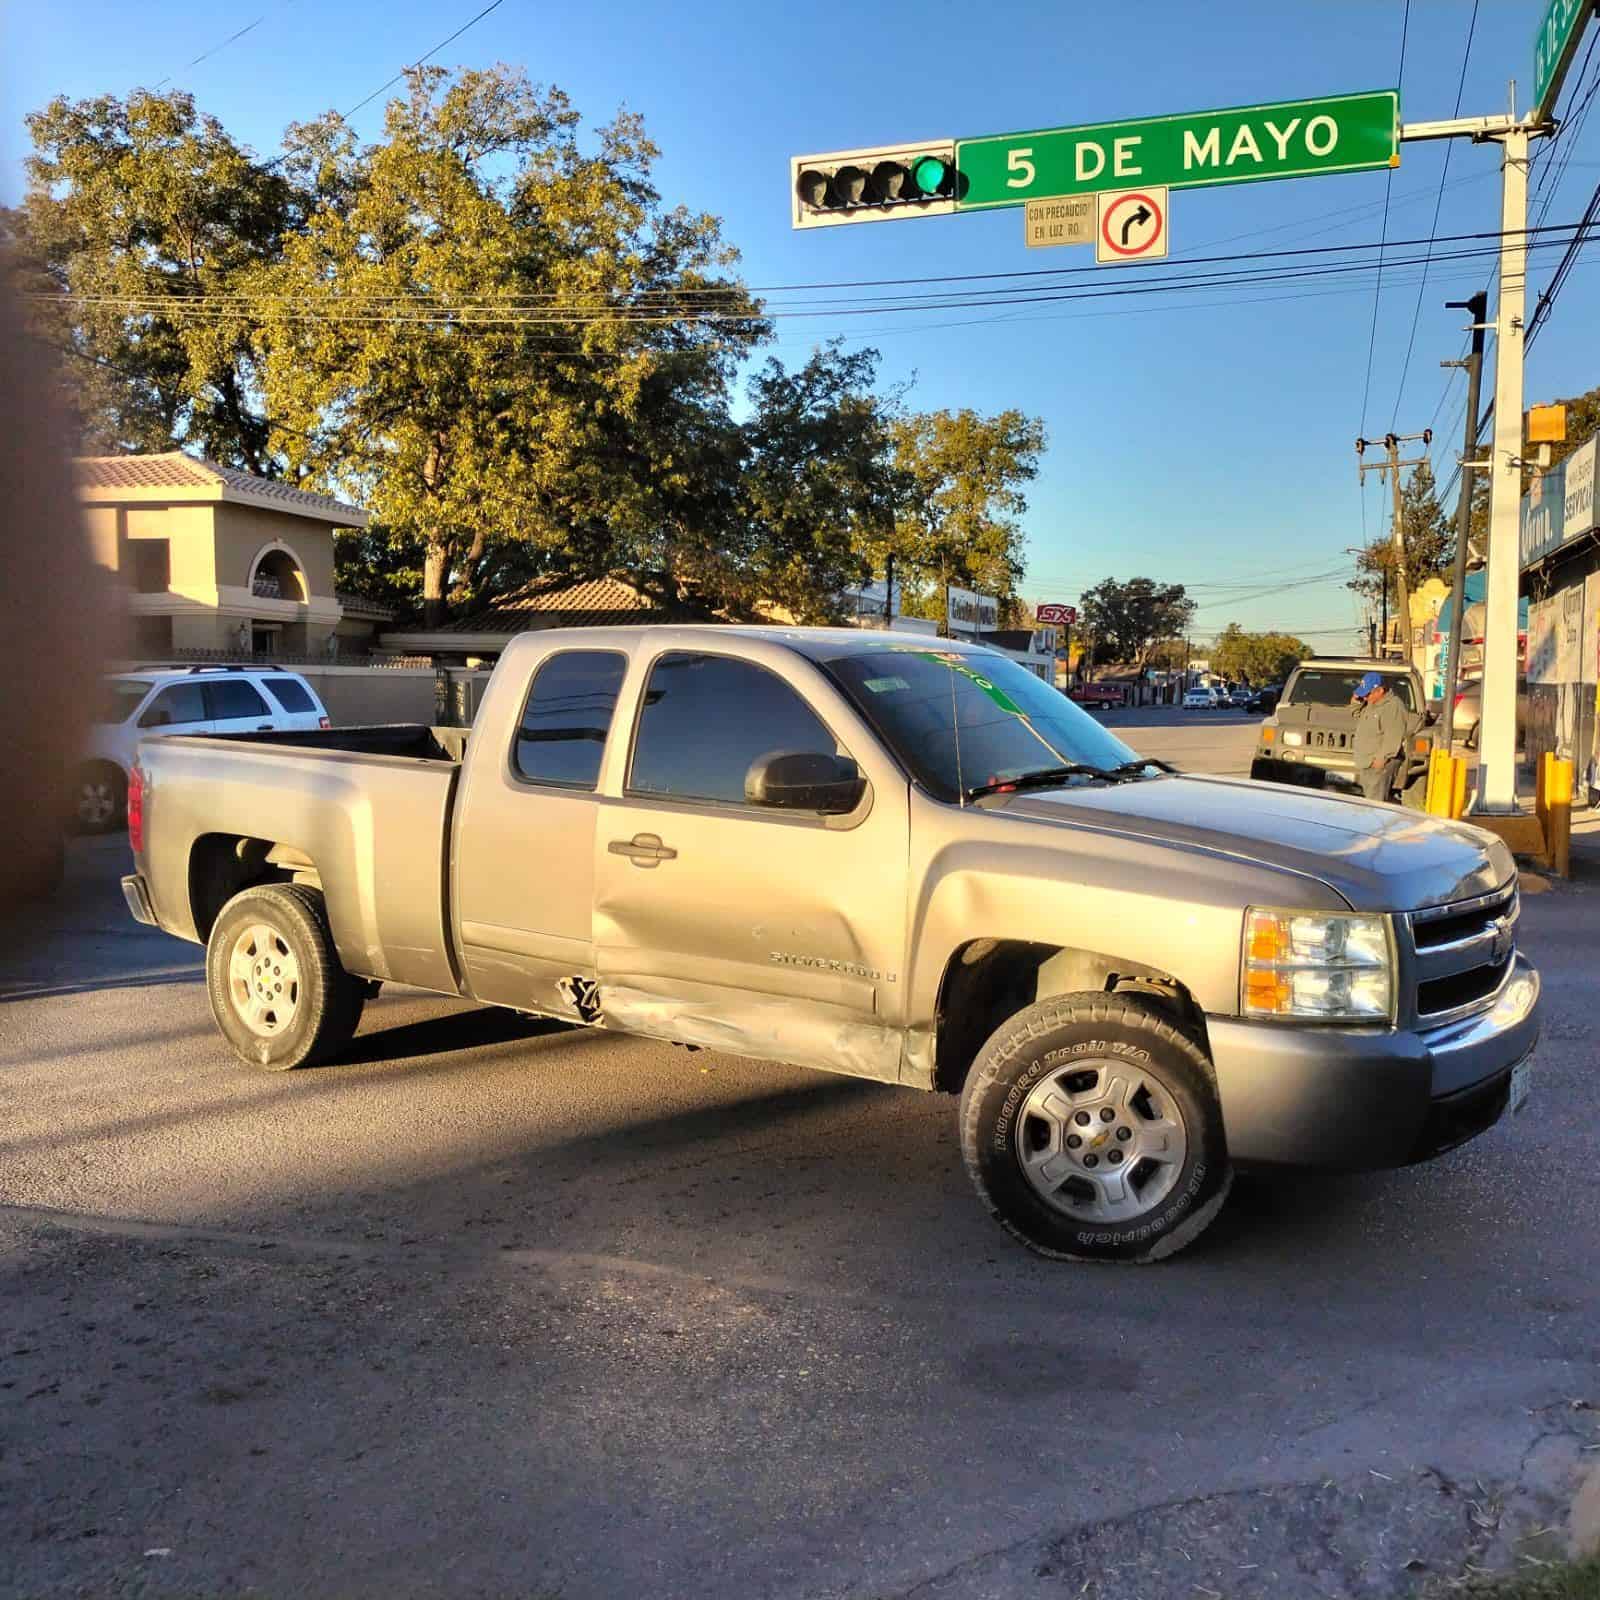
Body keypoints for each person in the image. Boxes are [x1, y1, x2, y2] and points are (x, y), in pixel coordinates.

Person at [1351, 670, 1407, 803]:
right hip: (1366, 761)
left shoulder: (1393, 706)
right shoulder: (1372, 703)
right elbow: (1356, 714)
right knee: (1369, 801)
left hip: (1379, 764)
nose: (1365, 697)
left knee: (1375, 804)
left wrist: (1382, 758)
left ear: (1380, 690)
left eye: (1367, 694)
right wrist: (1356, 701)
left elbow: (1393, 735)